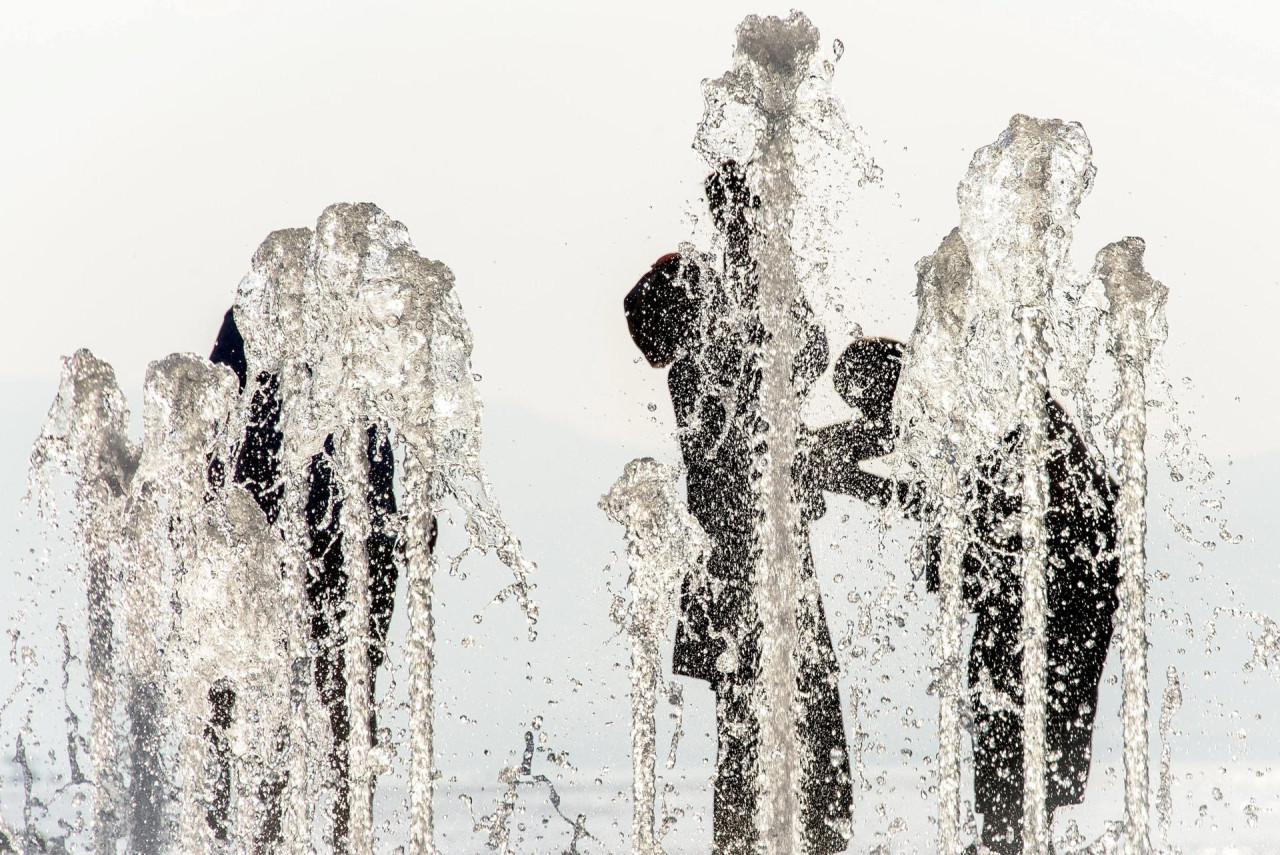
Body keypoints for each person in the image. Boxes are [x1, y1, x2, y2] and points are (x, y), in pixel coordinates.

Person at [625, 161, 852, 855]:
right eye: (709, 286)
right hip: (753, 578)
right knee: (803, 745)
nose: (724, 291)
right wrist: (749, 233)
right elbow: (803, 348)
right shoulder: (710, 368)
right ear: (696, 309)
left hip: (733, 577)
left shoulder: (699, 374)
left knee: (751, 744)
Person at [817, 337, 1120, 855]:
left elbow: (946, 501)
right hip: (1063, 578)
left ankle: (1014, 836)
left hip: (1062, 583)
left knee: (1016, 745)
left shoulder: (965, 403)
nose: (872, 420)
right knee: (1011, 744)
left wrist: (847, 478)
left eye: (865, 401)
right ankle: (1016, 834)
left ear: (890, 383)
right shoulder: (970, 394)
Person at [207, 308, 424, 852]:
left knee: (300, 708)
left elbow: (213, 422)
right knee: (329, 708)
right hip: (308, 538)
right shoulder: (269, 313)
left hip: (322, 539)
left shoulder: (259, 314)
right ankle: (324, 837)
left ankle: (282, 837)